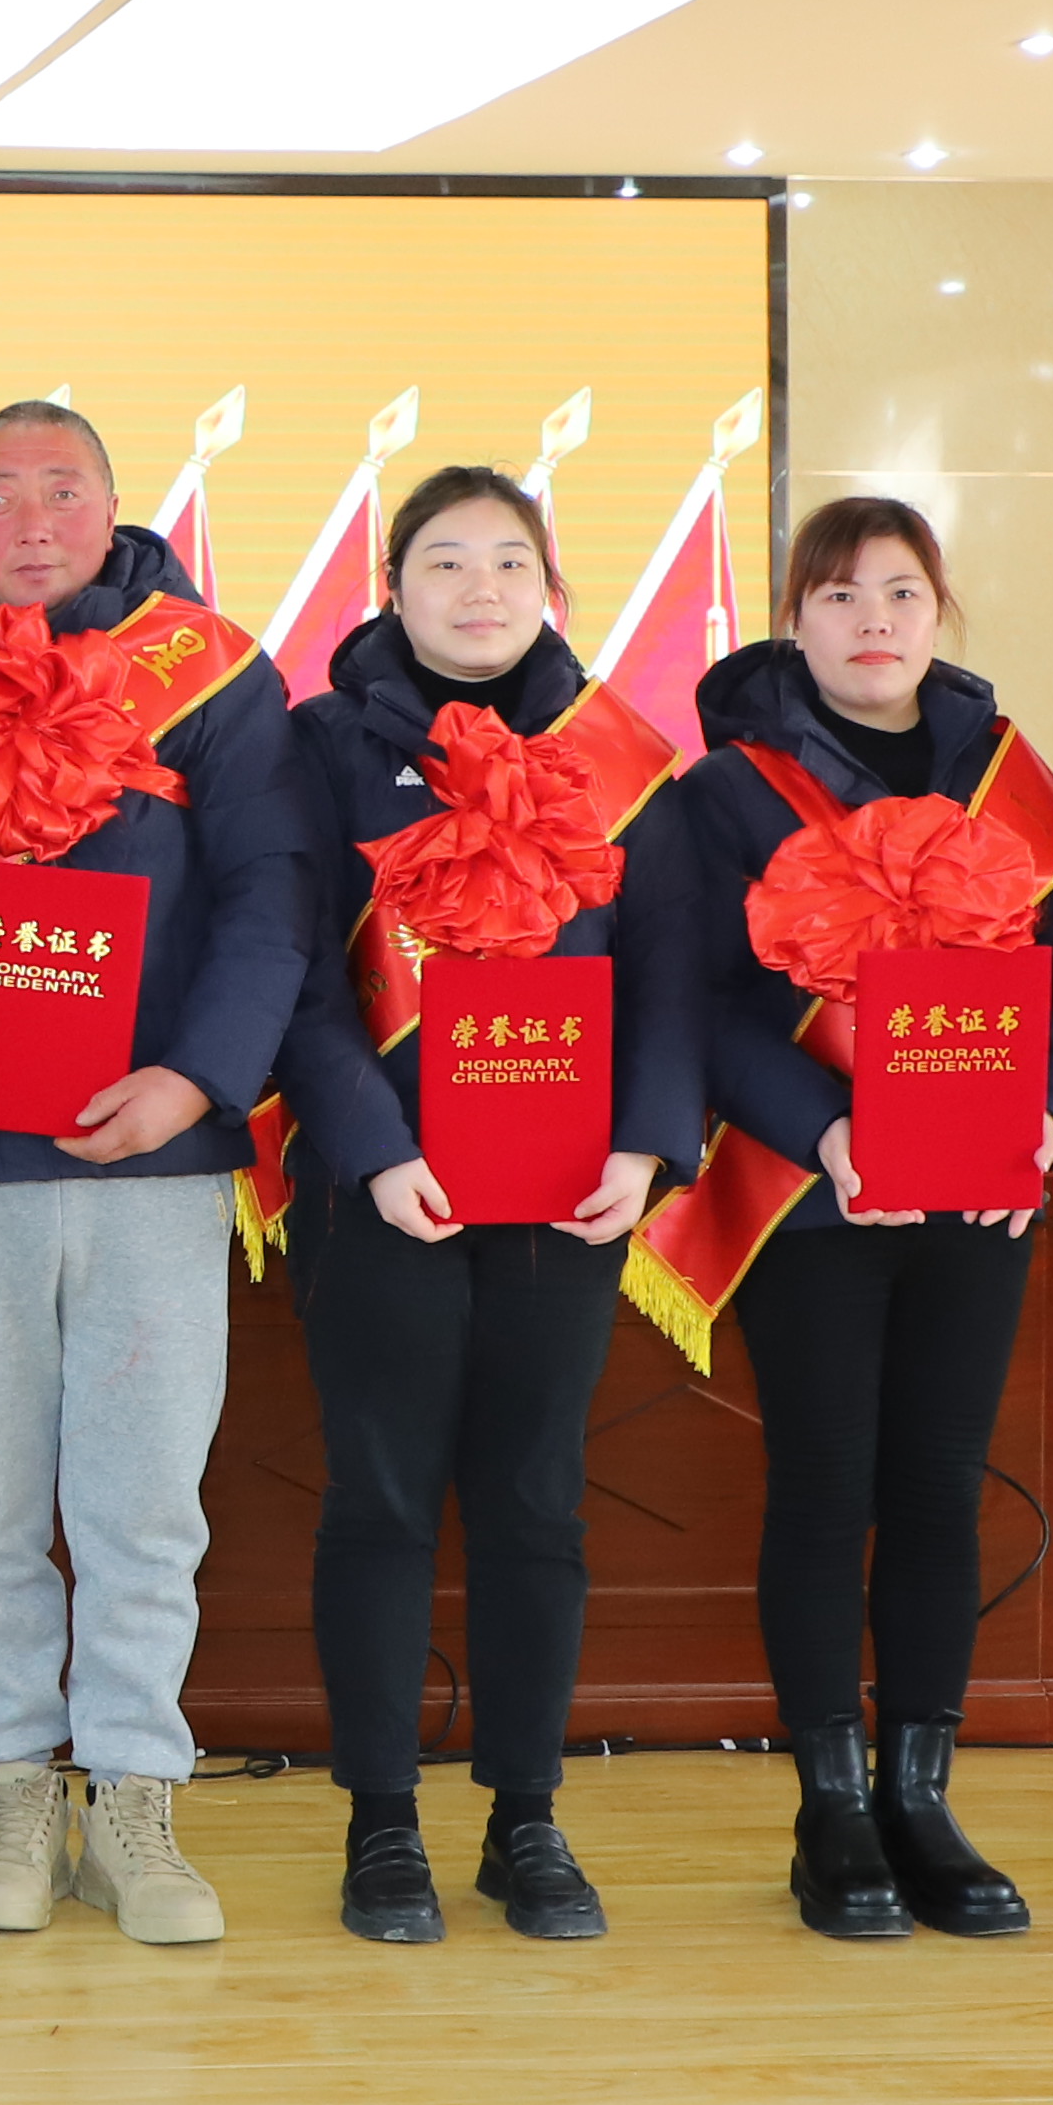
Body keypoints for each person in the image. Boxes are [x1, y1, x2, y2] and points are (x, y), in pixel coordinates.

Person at [0, 399, 300, 1950]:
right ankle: (13, 1787)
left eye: (62, 490)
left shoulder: (215, 676)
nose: (31, 519)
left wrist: (197, 1078)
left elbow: (270, 896)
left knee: (142, 1504)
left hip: (154, 1162)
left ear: (116, 510)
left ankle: (133, 1798)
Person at [638, 496, 1053, 1942]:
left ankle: (922, 1798)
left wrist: (1052, 1109)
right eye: (838, 596)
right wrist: (825, 1128)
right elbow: (701, 1003)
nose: (873, 620)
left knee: (940, 1487)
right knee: (828, 1489)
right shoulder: (727, 792)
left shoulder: (1011, 778)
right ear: (794, 621)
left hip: (978, 1180)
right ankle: (830, 1808)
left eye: (900, 591)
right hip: (814, 1194)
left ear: (938, 610)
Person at [270, 465, 704, 1946]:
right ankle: (381, 1824)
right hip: (381, 1191)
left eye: (509, 561)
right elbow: (294, 973)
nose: (479, 588)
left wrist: (644, 1151)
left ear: (552, 589)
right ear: (391, 589)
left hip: (566, 1198)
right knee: (383, 1501)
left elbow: (670, 980)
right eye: (444, 561)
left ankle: (527, 1819)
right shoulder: (321, 746)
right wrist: (375, 1147)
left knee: (535, 1504)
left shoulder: (622, 756)